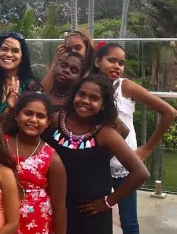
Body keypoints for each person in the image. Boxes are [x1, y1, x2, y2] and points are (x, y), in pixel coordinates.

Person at [42, 75, 150, 234]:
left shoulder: (105, 134)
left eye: (94, 98)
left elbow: (141, 173)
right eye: (82, 94)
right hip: (53, 208)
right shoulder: (55, 120)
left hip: (90, 216)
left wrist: (108, 202)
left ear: (103, 106)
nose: (85, 100)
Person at [93, 43, 177, 234]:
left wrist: (147, 148)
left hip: (125, 164)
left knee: (129, 220)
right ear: (98, 61)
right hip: (97, 161)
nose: (117, 66)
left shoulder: (126, 86)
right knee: (98, 214)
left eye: (121, 63)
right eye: (111, 60)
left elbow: (169, 112)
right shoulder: (88, 87)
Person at [6, 92, 67, 234]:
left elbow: (59, 209)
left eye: (40, 116)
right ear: (16, 115)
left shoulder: (52, 158)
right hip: (1, 219)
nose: (33, 119)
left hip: (37, 225)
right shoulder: (1, 144)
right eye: (28, 113)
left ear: (47, 122)